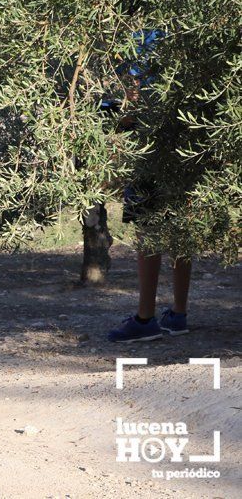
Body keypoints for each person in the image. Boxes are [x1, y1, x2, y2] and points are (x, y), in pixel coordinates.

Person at [105, 30, 192, 343]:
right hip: (186, 151)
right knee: (181, 231)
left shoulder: (137, 41)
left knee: (147, 234)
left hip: (149, 157)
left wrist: (114, 113)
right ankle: (178, 315)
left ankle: (145, 319)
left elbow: (123, 110)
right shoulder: (181, 34)